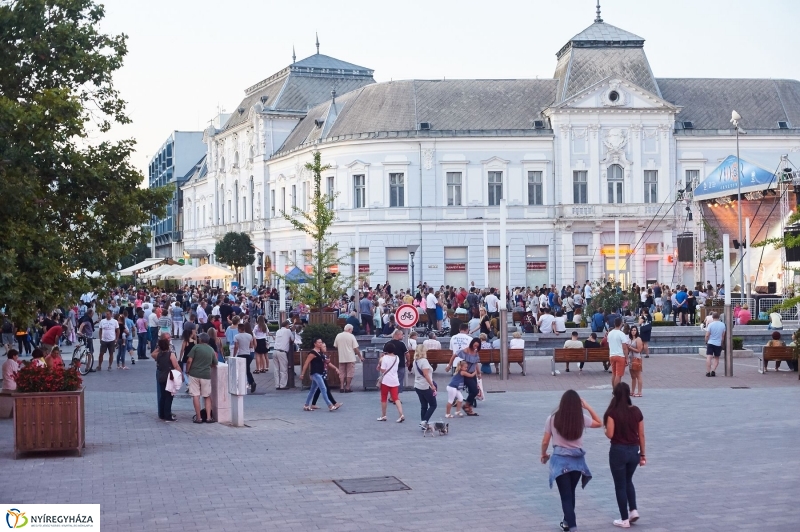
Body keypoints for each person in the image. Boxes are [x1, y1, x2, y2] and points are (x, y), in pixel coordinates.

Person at [540, 390, 602, 532]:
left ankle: (572, 527)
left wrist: (543, 454)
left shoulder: (552, 419)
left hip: (560, 462)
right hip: (577, 462)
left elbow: (545, 441)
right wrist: (588, 406)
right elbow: (599, 423)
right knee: (570, 492)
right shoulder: (580, 419)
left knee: (566, 496)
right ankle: (567, 522)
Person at [604, 382, 646, 528]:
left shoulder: (613, 413)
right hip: (634, 451)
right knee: (628, 480)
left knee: (620, 485)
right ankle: (633, 510)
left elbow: (610, 434)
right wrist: (643, 454)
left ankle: (624, 519)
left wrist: (605, 430)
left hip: (618, 451)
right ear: (628, 394)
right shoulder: (636, 411)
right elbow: (641, 434)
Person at [299, 337, 340, 412]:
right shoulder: (312, 353)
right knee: (323, 388)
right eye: (319, 342)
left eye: (321, 342)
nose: (320, 344)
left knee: (312, 390)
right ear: (315, 344)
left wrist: (327, 362)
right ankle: (330, 405)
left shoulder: (320, 352)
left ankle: (306, 405)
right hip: (315, 373)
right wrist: (302, 374)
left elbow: (325, 362)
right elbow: (306, 363)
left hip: (320, 373)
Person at [186, 332, 218, 423]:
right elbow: (215, 363)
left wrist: (188, 370)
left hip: (194, 374)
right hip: (206, 375)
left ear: (200, 339)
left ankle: (199, 418)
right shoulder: (211, 349)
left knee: (195, 395)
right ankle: (208, 417)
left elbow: (189, 360)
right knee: (207, 396)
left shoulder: (196, 347)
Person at [447, 338, 481, 416]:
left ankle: (469, 408)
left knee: (473, 391)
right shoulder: (466, 351)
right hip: (466, 373)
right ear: (472, 344)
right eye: (475, 345)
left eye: (477, 346)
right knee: (475, 391)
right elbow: (454, 355)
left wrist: (479, 373)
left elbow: (476, 363)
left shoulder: (476, 352)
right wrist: (449, 365)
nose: (475, 347)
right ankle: (466, 406)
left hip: (473, 373)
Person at [152, 338, 180, 422]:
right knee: (169, 396)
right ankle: (167, 415)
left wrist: (159, 348)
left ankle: (162, 414)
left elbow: (152, 354)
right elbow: (176, 366)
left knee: (163, 396)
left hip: (161, 377)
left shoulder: (158, 355)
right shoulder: (171, 355)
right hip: (169, 377)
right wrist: (181, 374)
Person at [309, 342, 343, 410]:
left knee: (319, 389)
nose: (325, 348)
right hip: (320, 375)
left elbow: (328, 363)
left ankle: (313, 404)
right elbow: (328, 363)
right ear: (320, 348)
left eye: (325, 346)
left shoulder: (323, 355)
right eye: (324, 346)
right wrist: (336, 368)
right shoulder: (320, 356)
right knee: (326, 389)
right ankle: (334, 403)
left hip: (322, 374)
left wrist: (335, 368)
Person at [376, 341, 405, 422]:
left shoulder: (384, 358)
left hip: (386, 381)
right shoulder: (397, 358)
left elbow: (383, 370)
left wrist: (379, 366)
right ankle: (401, 414)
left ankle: (383, 415)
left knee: (384, 398)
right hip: (395, 380)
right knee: (396, 398)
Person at [412, 344, 437, 429]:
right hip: (425, 386)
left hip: (417, 385)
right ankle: (424, 421)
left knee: (424, 405)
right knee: (433, 405)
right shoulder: (424, 361)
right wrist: (432, 385)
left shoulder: (415, 361)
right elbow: (426, 374)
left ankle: (423, 424)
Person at [334, 324, 362, 393]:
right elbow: (355, 348)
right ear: (349, 329)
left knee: (341, 372)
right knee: (350, 372)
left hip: (341, 357)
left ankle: (341, 387)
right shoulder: (351, 336)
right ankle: (347, 387)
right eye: (351, 330)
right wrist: (360, 356)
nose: (352, 331)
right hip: (350, 357)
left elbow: (336, 346)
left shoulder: (338, 335)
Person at [233, 322, 256, 394]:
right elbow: (251, 346)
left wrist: (234, 355)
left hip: (240, 354)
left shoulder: (236, 336)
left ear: (239, 329)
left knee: (239, 370)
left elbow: (236, 347)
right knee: (247, 370)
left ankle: (242, 384)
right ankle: (252, 382)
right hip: (247, 354)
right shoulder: (249, 336)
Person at [384, 329, 409, 395]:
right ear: (398, 335)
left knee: (390, 380)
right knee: (399, 380)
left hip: (390, 366)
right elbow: (407, 354)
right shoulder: (401, 344)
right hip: (400, 365)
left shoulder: (388, 343)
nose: (403, 336)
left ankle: (392, 395)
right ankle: (396, 395)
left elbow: (383, 354)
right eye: (402, 335)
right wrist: (408, 361)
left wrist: (381, 363)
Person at [607, 317, 628, 388]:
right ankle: (617, 390)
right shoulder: (621, 334)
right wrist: (627, 358)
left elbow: (609, 345)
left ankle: (614, 390)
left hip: (612, 355)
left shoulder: (610, 333)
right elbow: (624, 347)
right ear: (621, 324)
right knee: (618, 375)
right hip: (620, 355)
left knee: (614, 373)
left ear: (614, 323)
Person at [704, 312, 726, 377]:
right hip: (718, 343)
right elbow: (723, 336)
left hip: (710, 343)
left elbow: (707, 335)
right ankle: (713, 370)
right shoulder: (723, 325)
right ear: (719, 317)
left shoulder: (710, 325)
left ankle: (708, 372)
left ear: (712, 317)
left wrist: (706, 341)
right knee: (716, 358)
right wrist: (722, 342)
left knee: (709, 357)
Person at [272, 320, 291, 390]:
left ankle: (277, 385)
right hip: (282, 352)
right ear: (287, 325)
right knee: (283, 369)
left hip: (275, 351)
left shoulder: (278, 331)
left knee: (276, 369)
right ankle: (282, 385)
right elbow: (292, 339)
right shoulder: (288, 331)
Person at [627, 326, 643, 397]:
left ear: (636, 331)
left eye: (634, 330)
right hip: (631, 358)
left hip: (636, 358)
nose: (633, 331)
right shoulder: (630, 339)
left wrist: (630, 348)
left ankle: (639, 392)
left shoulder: (638, 339)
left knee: (638, 375)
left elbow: (639, 350)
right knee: (633, 376)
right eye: (632, 330)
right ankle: (632, 391)